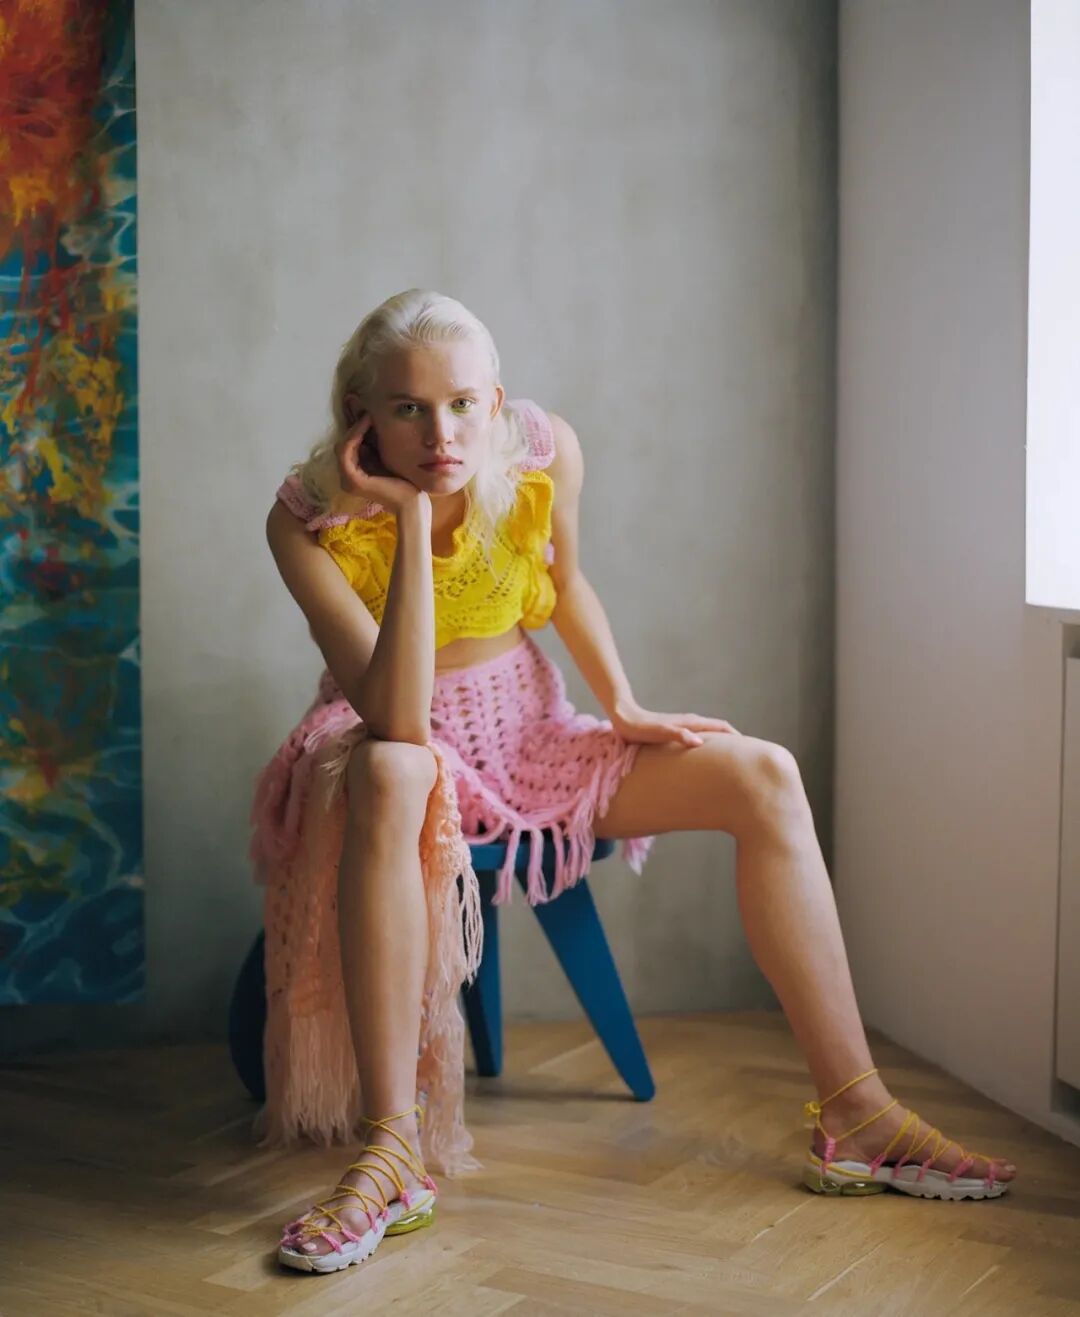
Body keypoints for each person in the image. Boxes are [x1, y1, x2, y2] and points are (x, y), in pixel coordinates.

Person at [252, 289, 1017, 1275]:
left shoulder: (541, 452)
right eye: (408, 409)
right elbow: (397, 713)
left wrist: (623, 704)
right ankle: (392, 1149)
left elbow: (565, 582)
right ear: (363, 413)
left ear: (495, 401)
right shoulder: (307, 517)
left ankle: (857, 1115)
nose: (442, 435)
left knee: (765, 774)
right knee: (399, 769)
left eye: (463, 405)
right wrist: (405, 516)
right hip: (384, 737)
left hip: (524, 727)